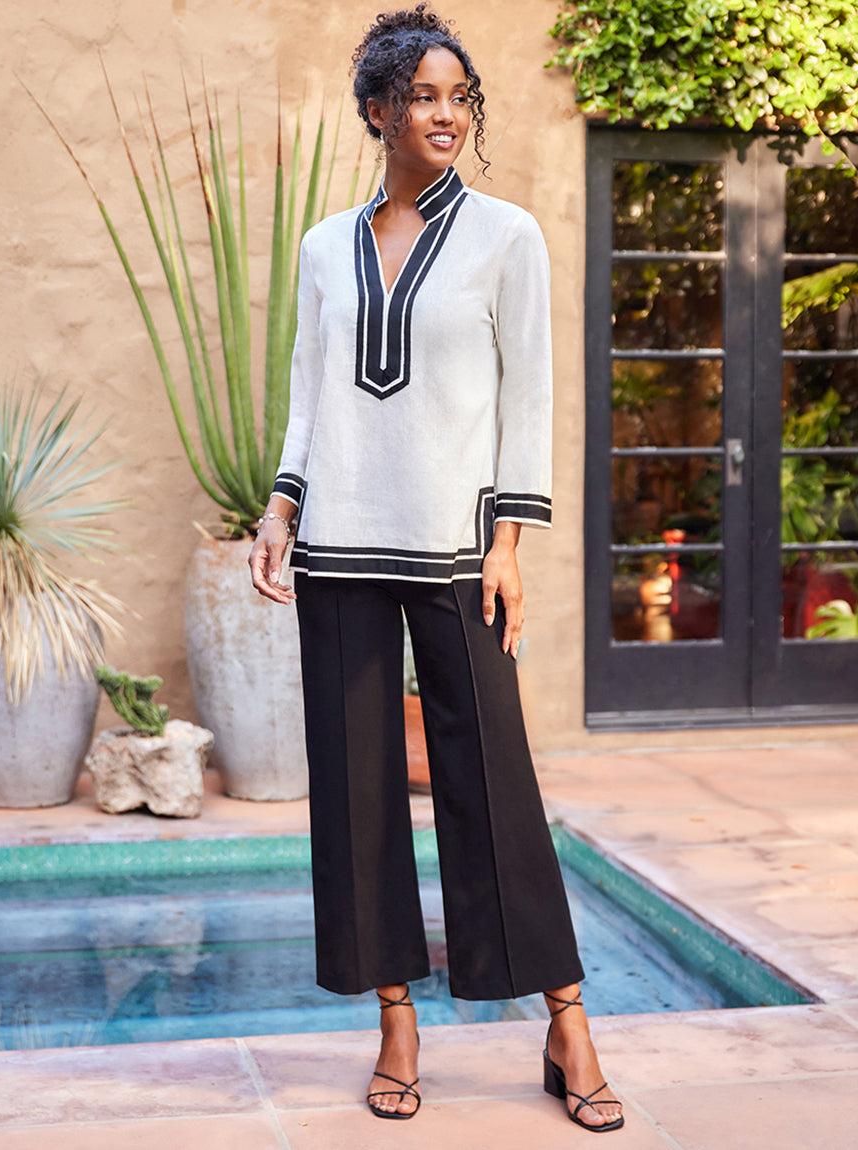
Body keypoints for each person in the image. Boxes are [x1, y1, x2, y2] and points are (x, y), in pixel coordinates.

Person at [249, 3, 623, 1133]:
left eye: (459, 97)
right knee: (357, 794)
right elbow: (311, 392)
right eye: (422, 96)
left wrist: (510, 541)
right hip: (340, 552)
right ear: (377, 110)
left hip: (460, 551)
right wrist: (280, 505)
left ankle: (565, 1019)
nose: (445, 114)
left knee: (493, 782)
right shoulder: (325, 246)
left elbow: (528, 396)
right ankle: (397, 1023)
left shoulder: (509, 236)